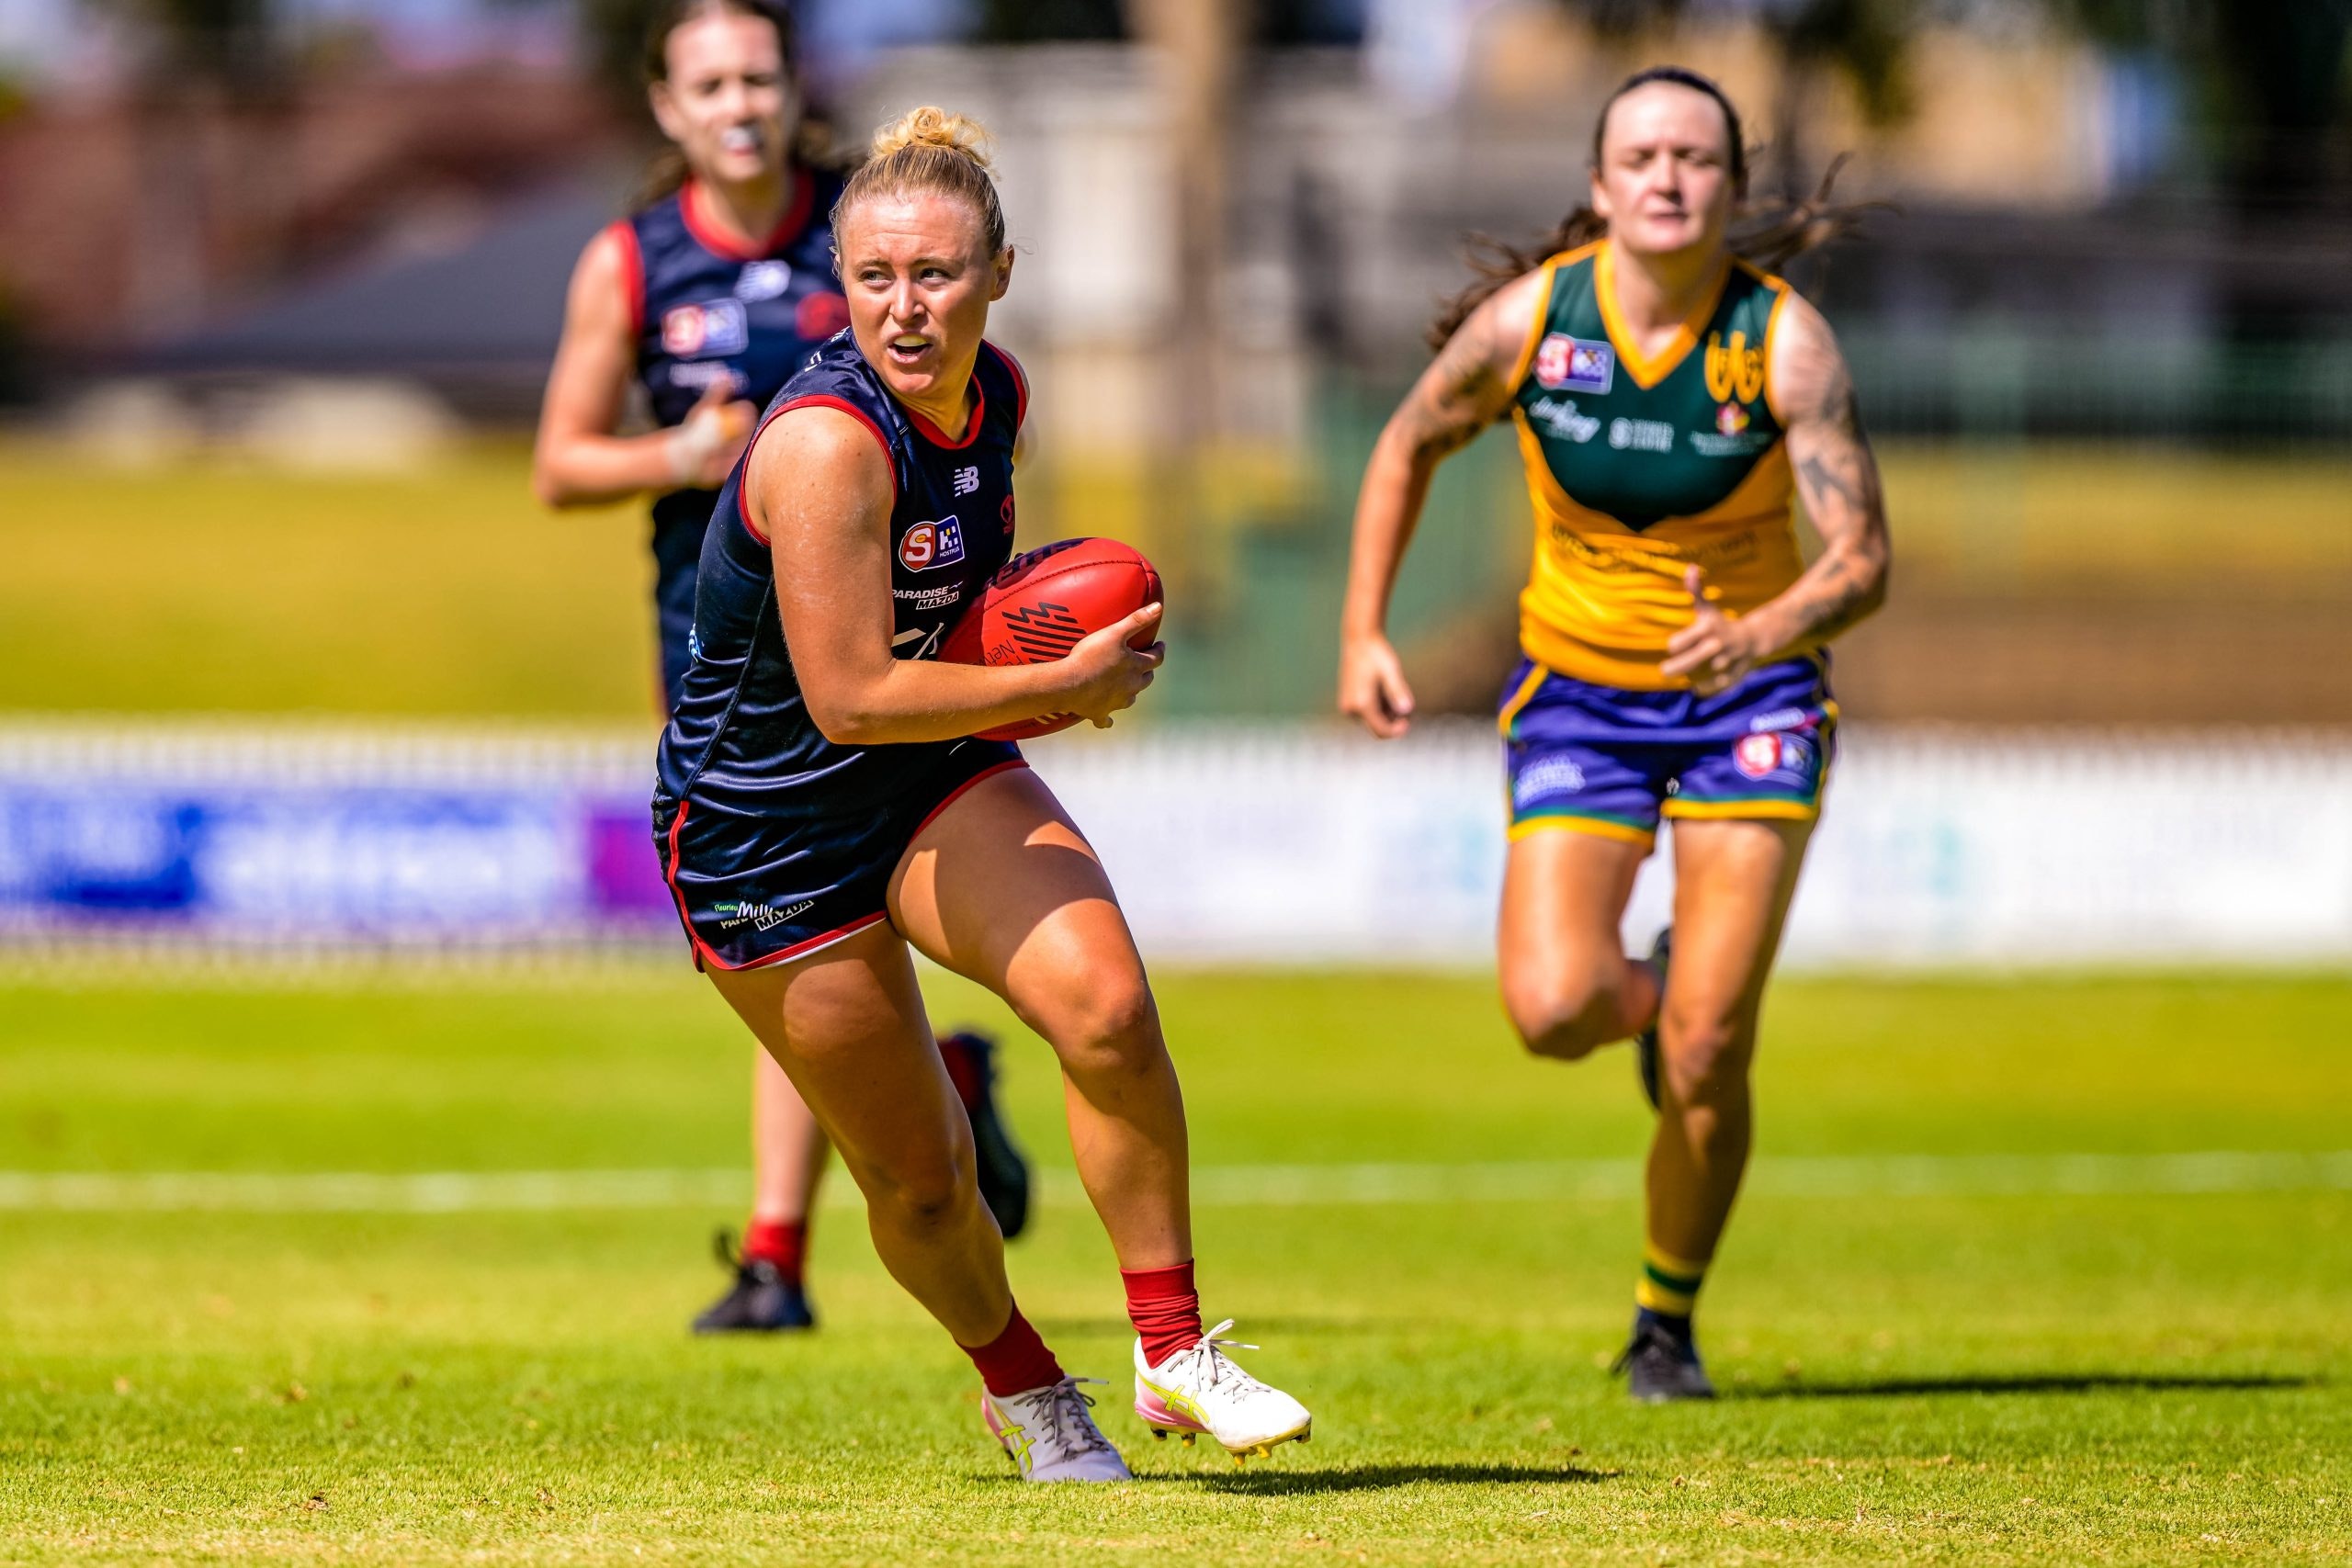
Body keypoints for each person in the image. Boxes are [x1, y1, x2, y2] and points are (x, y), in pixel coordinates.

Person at [652, 106, 1314, 1481]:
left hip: (925, 772)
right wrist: (1060, 683)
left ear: (999, 273)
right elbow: (848, 697)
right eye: (875, 277)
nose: (905, 306)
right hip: (762, 829)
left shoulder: (998, 394)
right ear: (842, 284)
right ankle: (1026, 1389)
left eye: (937, 273)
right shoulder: (828, 445)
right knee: (924, 1186)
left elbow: (958, 619)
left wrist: (1039, 654)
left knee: (1110, 1010)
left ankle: (1172, 1352)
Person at [1338, 65, 1891, 1402]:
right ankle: (1656, 993)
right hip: (1581, 695)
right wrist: (1362, 633)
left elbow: (1864, 561)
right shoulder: (1532, 325)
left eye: (1695, 157)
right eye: (1640, 156)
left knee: (1710, 1046)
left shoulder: (1785, 344)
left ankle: (1664, 1322)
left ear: (1733, 186)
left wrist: (1762, 633)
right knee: (1553, 1008)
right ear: (1599, 185)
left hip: (1752, 699)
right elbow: (1406, 445)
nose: (1667, 177)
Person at [532, 0, 1027, 1337]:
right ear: (668, 108)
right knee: (788, 919)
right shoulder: (631, 261)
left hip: (888, 628)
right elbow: (559, 462)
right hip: (719, 642)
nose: (739, 103)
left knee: (843, 906)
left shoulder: (870, 229)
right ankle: (929, 1098)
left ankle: (776, 1251)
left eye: (758, 76)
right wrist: (679, 458)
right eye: (710, 84)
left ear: (791, 86)